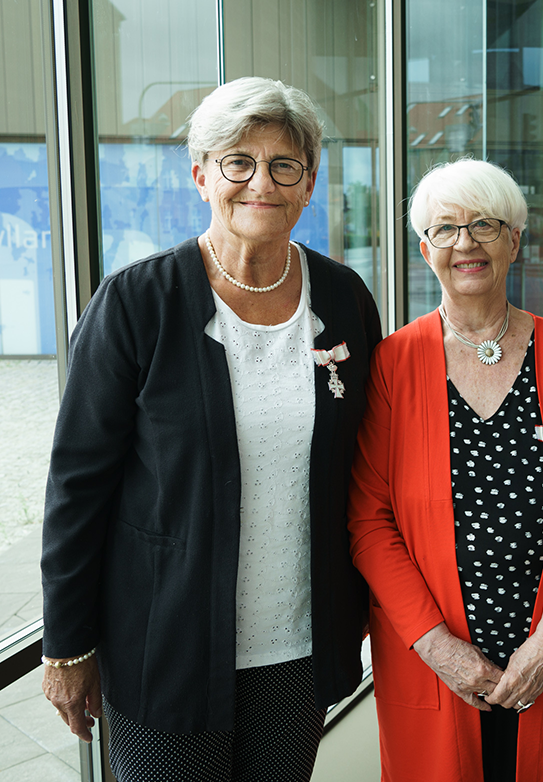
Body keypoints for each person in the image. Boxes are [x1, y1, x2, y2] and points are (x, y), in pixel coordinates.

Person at [40, 77, 381, 782]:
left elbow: (365, 465)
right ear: (202, 176)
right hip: (166, 647)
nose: (261, 182)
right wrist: (67, 647)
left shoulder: (344, 300)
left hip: (298, 646)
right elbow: (77, 488)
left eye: (285, 165)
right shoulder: (137, 302)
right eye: (238, 162)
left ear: (308, 184)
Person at [347, 158, 543, 782]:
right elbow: (369, 519)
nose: (465, 243)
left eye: (485, 225)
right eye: (445, 229)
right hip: (434, 650)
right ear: (425, 249)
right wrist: (437, 649)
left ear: (515, 240)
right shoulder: (394, 362)